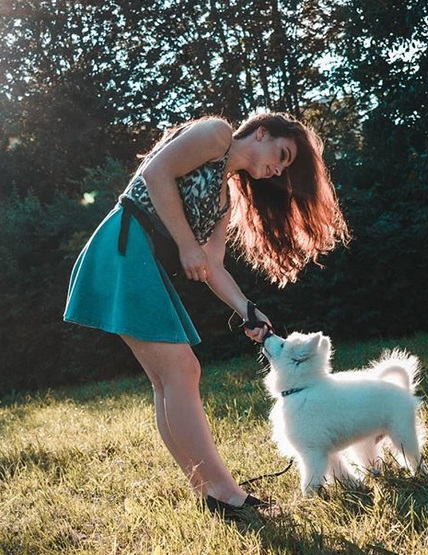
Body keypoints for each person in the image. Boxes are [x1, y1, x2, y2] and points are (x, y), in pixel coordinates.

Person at [63, 111, 350, 519]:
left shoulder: (226, 199)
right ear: (262, 132)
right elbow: (155, 172)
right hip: (125, 247)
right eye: (281, 155)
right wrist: (185, 244)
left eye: (284, 168)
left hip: (142, 261)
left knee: (170, 379)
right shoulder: (216, 135)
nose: (276, 169)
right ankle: (226, 495)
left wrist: (248, 310)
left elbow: (213, 266)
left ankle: (208, 492)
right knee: (181, 371)